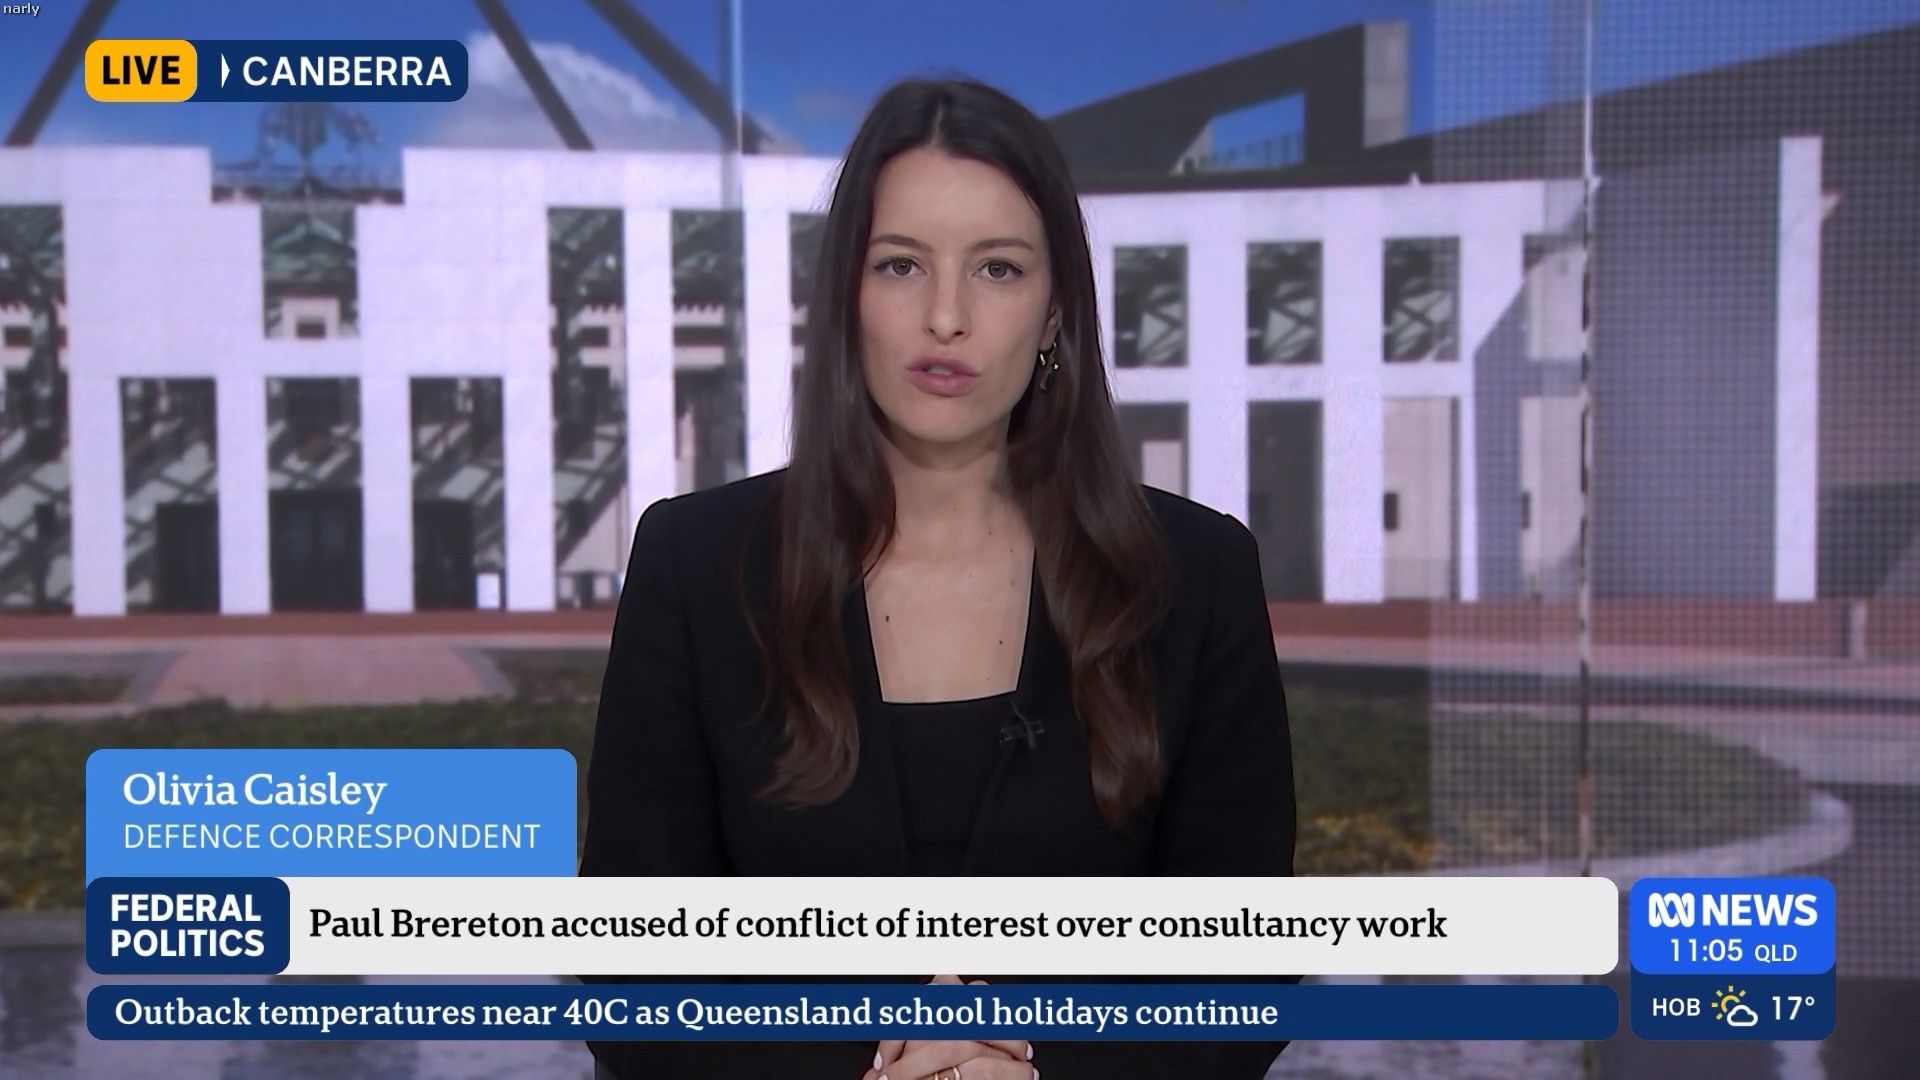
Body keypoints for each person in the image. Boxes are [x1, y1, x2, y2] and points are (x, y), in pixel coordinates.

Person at [581, 76, 1297, 1079]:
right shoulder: (696, 565)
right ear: (847, 297)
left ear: (1054, 314)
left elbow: (1242, 972)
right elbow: (634, 981)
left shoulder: (1196, 576)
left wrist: (1037, 1069)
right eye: (902, 265)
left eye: (998, 269)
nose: (946, 316)